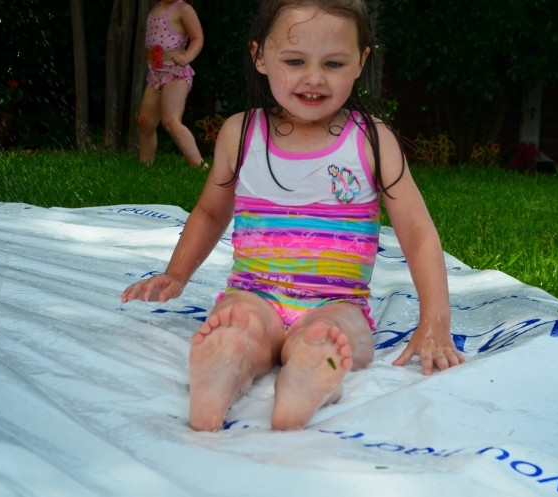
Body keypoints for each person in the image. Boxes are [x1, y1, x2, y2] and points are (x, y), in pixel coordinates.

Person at [122, 0, 465, 432]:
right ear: (259, 56)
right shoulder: (240, 133)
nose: (314, 78)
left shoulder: (372, 141)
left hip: (337, 302)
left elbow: (416, 230)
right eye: (295, 60)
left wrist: (435, 320)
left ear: (361, 62)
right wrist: (177, 274)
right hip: (254, 292)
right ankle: (226, 362)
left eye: (334, 63)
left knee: (337, 333)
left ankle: (310, 371)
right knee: (242, 324)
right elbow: (211, 212)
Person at [138, 0, 205, 167]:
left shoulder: (184, 9)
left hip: (176, 73)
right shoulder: (155, 8)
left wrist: (186, 57)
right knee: (145, 121)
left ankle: (200, 166)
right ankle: (145, 165)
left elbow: (197, 38)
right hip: (156, 75)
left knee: (171, 121)